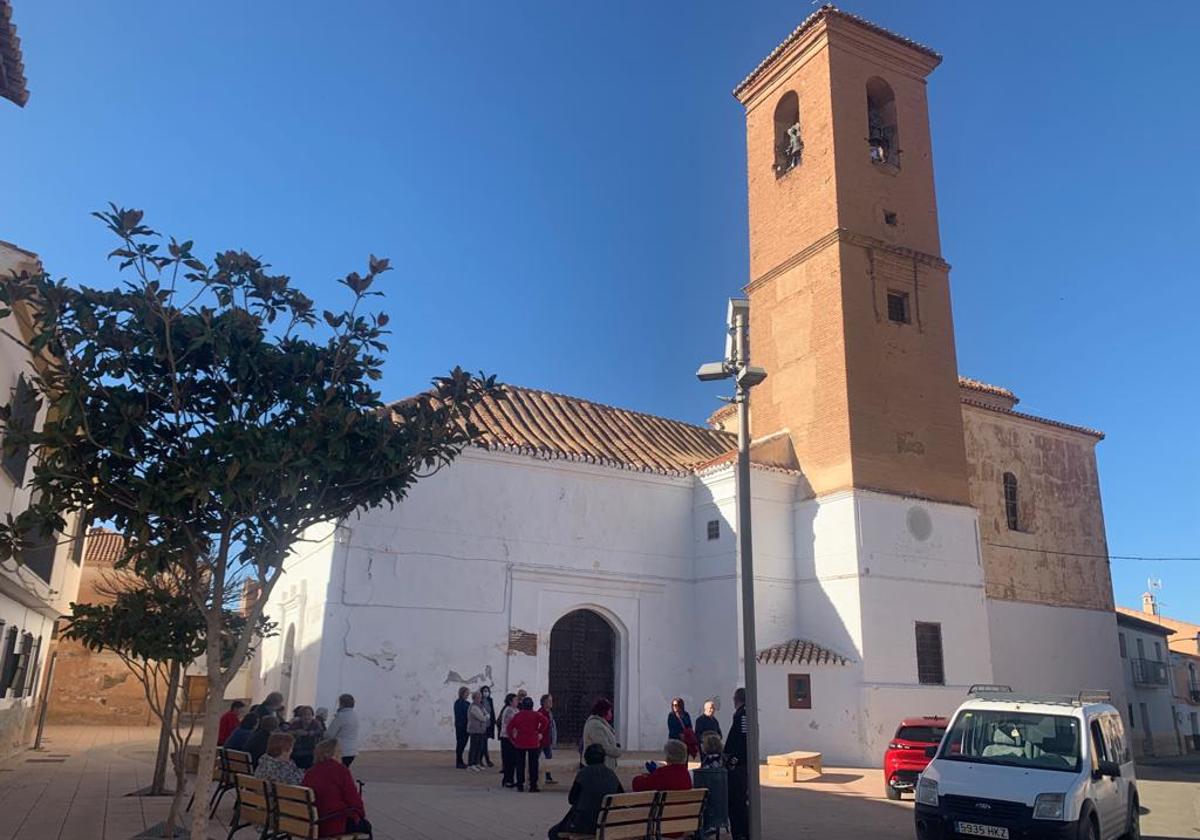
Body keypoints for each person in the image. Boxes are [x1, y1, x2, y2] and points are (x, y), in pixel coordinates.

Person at [546, 744, 624, 840]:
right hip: (608, 823)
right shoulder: (611, 774)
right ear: (603, 758)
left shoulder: (583, 774)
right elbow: (621, 797)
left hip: (584, 824)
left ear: (586, 759)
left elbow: (571, 799)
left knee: (553, 833)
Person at [302, 738, 372, 838]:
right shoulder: (340, 770)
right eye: (339, 751)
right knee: (366, 826)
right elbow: (353, 800)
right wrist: (359, 814)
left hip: (314, 821)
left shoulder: (310, 771)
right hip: (334, 821)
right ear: (331, 754)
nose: (341, 754)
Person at [508, 696, 548, 792]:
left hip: (520, 741)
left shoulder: (518, 715)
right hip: (533, 741)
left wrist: (512, 738)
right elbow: (545, 721)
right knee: (533, 764)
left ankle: (520, 784)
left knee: (520, 764)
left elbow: (509, 727)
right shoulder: (536, 714)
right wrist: (539, 731)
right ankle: (533, 785)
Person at [724, 688, 749, 840]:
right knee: (740, 801)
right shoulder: (743, 714)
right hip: (740, 763)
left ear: (737, 699)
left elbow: (743, 741)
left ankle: (740, 833)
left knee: (737, 802)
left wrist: (733, 761)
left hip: (739, 765)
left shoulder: (742, 715)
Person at [582, 699, 621, 770]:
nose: (611, 714)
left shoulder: (601, 724)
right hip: (598, 766)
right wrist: (617, 751)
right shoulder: (596, 725)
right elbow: (603, 746)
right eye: (609, 711)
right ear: (604, 712)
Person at [324, 693, 360, 767]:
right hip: (352, 750)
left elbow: (329, 734)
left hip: (341, 750)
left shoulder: (341, 716)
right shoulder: (354, 715)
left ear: (342, 704)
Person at [287, 705, 322, 769]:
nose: (307, 717)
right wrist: (296, 732)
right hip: (296, 751)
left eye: (309, 714)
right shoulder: (295, 724)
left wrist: (308, 733)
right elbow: (288, 732)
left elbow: (320, 733)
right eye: (304, 715)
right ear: (300, 716)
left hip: (310, 752)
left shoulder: (316, 724)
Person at [499, 693, 519, 787]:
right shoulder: (509, 710)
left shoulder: (516, 709)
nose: (517, 701)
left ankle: (509, 779)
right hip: (507, 737)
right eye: (515, 700)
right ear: (510, 701)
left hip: (513, 738)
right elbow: (512, 724)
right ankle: (507, 780)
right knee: (508, 760)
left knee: (513, 760)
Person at [466, 690, 489, 772]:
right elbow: (483, 717)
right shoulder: (474, 707)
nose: (480, 699)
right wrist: (485, 716)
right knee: (474, 747)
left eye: (480, 697)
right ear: (474, 698)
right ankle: (470, 764)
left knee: (479, 747)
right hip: (474, 730)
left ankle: (476, 763)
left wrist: (485, 716)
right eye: (478, 697)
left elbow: (487, 714)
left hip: (480, 730)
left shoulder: (480, 706)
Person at [538, 694, 558, 786]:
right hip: (541, 740)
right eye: (549, 701)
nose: (551, 703)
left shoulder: (549, 712)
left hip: (548, 740)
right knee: (537, 758)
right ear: (544, 702)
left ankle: (548, 776)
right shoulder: (541, 712)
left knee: (549, 759)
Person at [453, 686, 471, 769]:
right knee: (460, 744)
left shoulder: (467, 703)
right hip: (461, 726)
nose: (468, 694)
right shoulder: (458, 703)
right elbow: (461, 715)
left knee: (463, 744)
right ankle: (458, 762)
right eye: (467, 693)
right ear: (462, 693)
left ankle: (460, 761)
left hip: (466, 726)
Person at [479, 686, 496, 768]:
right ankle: (486, 760)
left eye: (487, 691)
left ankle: (480, 760)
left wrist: (494, 721)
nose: (486, 692)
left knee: (484, 743)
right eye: (485, 691)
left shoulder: (490, 700)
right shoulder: (479, 700)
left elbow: (492, 711)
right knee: (483, 743)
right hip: (482, 725)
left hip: (488, 724)